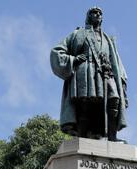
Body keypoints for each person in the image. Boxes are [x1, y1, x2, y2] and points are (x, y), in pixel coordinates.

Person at [50, 7, 128, 141]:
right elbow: (56, 52)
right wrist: (73, 60)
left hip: (106, 73)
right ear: (88, 16)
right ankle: (83, 135)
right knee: (86, 103)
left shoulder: (107, 39)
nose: (97, 15)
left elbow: (116, 61)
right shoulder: (77, 34)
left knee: (114, 99)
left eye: (100, 13)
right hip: (85, 70)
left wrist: (121, 78)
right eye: (94, 12)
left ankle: (112, 137)